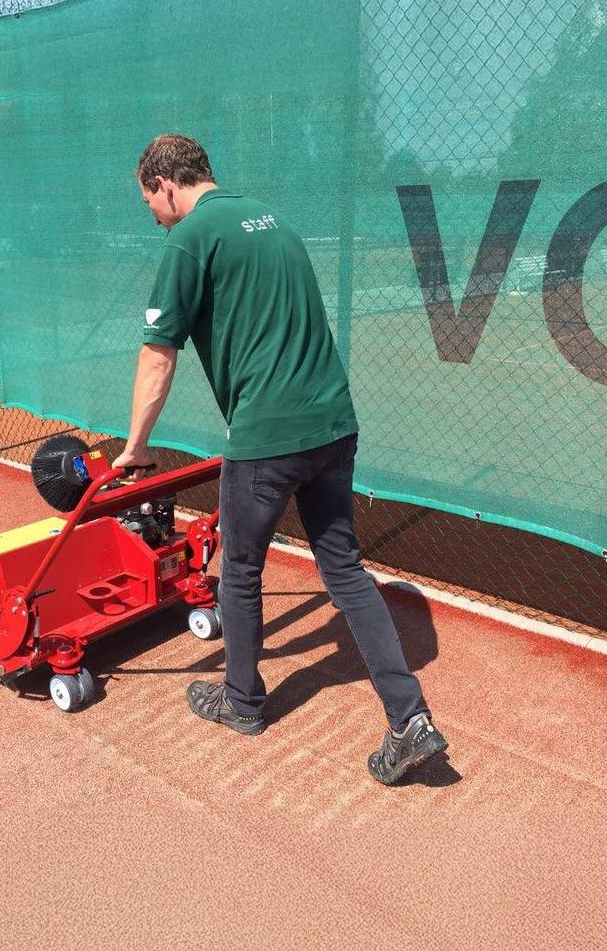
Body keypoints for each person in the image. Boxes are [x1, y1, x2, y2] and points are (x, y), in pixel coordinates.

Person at [112, 134, 448, 785]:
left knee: (240, 569)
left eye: (148, 201)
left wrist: (135, 448)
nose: (152, 215)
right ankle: (410, 721)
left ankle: (241, 701)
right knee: (344, 569)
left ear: (165, 185)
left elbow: (158, 354)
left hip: (268, 434)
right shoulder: (273, 222)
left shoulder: (189, 238)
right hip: (332, 423)